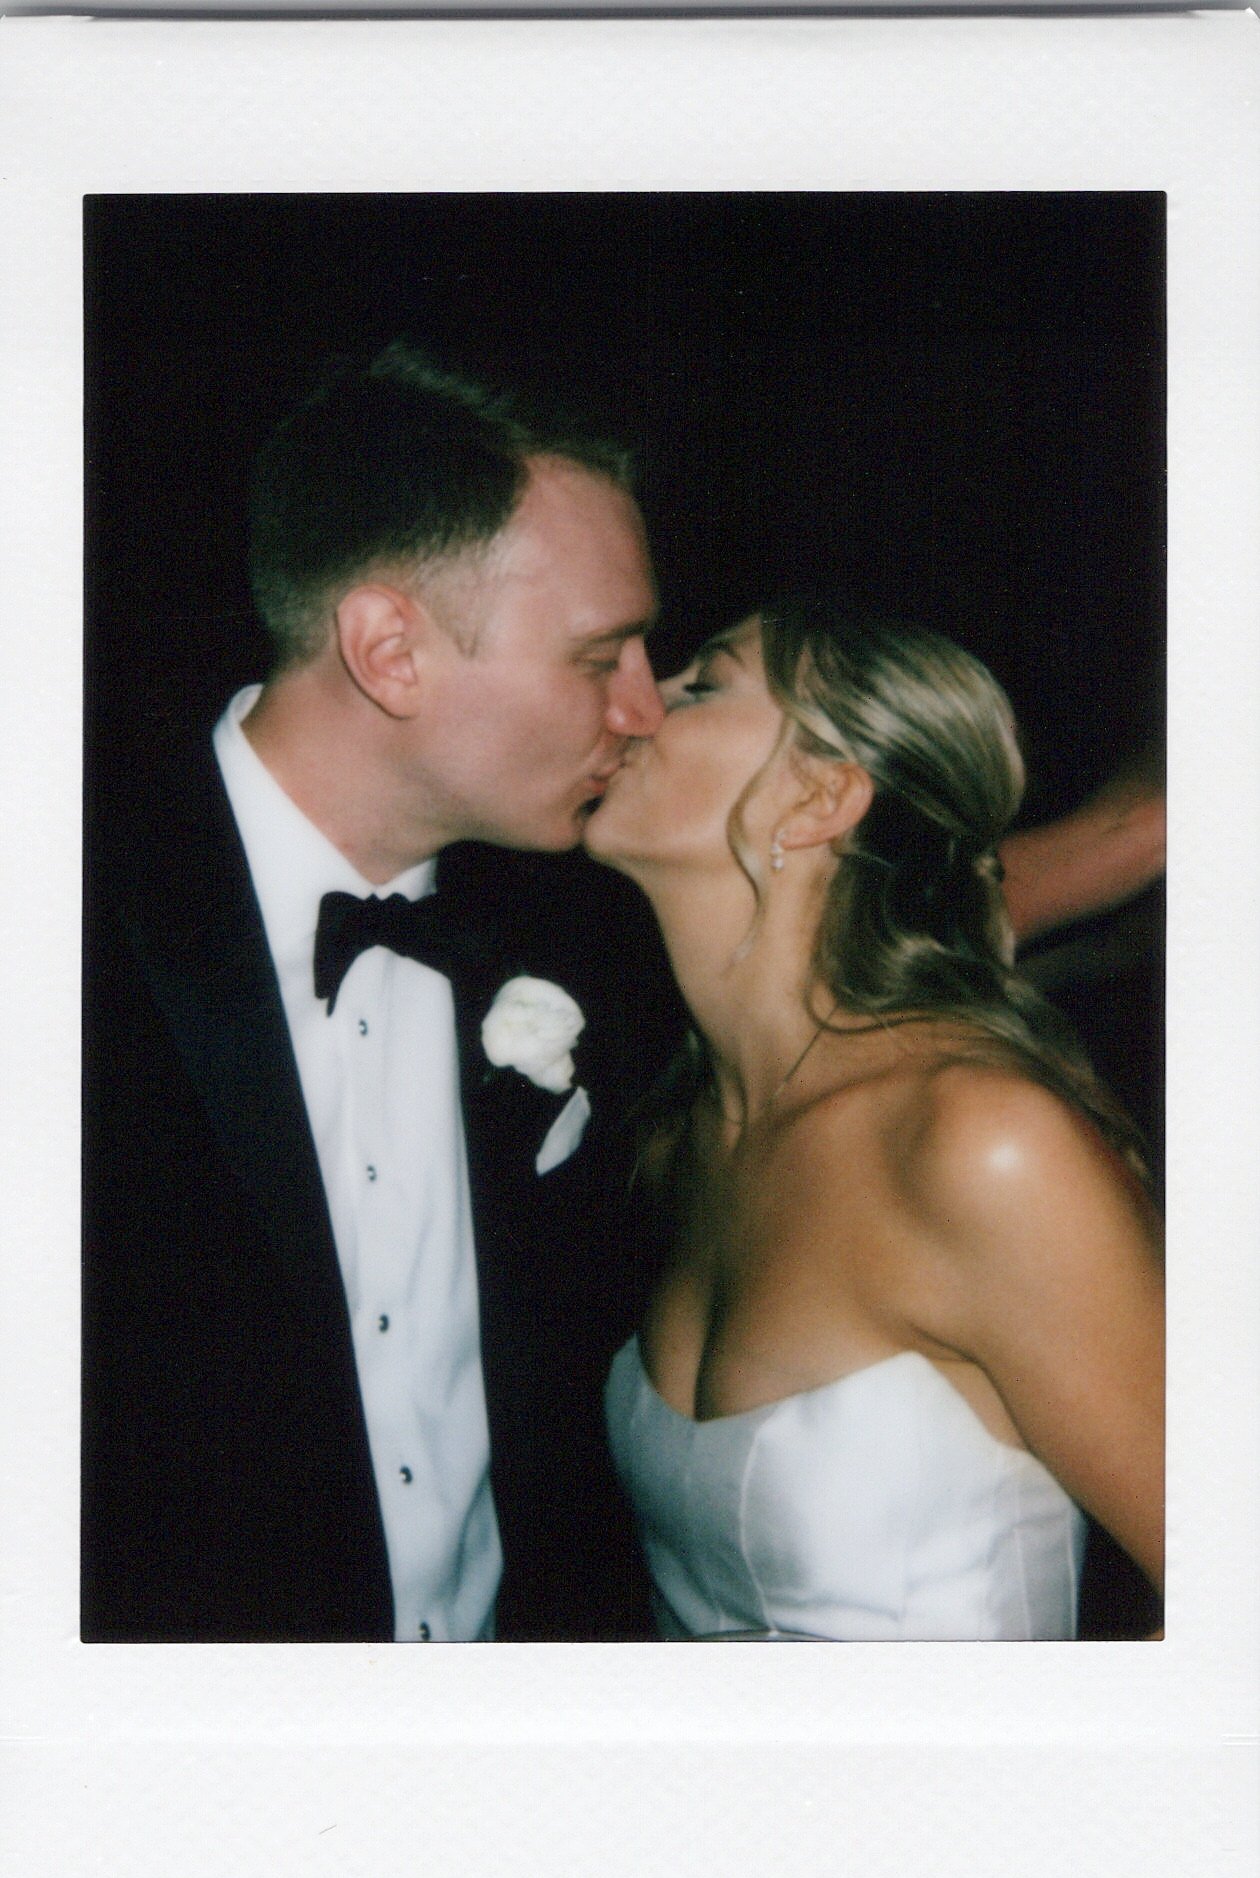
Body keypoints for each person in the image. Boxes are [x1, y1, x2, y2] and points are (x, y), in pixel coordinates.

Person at [82, 343, 676, 1641]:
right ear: (390, 650)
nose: (645, 710)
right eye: (601, 657)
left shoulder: (581, 941)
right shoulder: (72, 939)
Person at [587, 598, 1163, 1640]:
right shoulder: (685, 1137)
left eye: (701, 685)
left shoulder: (979, 1145)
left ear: (819, 796)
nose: (633, 704)